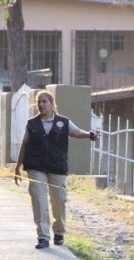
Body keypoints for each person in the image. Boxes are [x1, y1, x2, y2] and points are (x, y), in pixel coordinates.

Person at [14, 90, 99, 249]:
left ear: (52, 104)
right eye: (39, 102)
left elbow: (76, 132)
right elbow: (24, 144)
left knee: (59, 200)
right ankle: (43, 236)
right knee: (39, 199)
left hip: (57, 166)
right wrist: (17, 167)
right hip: (36, 166)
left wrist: (89, 135)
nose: (41, 105)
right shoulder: (32, 124)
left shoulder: (63, 122)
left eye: (44, 101)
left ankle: (59, 232)